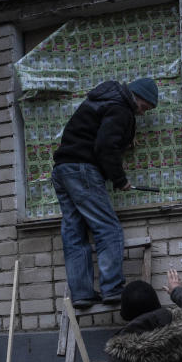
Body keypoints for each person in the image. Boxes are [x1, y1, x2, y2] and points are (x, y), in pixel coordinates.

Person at [52, 78, 158, 308]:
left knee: (74, 233)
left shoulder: (102, 101)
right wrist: (120, 180)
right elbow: (105, 146)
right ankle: (112, 289)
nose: (141, 113)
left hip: (62, 170)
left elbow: (96, 136)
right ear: (137, 97)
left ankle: (81, 294)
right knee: (108, 229)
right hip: (82, 169)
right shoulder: (121, 108)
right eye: (144, 107)